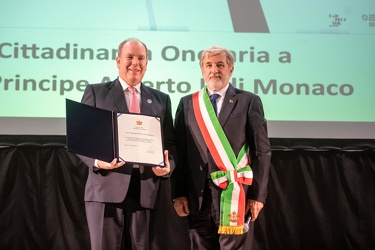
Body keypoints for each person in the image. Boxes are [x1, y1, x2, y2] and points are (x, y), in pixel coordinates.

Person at [77, 38, 176, 250]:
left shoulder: (161, 99)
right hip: (105, 189)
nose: (135, 63)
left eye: (141, 58)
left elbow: (170, 144)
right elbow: (82, 139)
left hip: (146, 191)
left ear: (147, 64)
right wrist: (98, 162)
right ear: (118, 61)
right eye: (130, 57)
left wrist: (167, 168)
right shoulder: (97, 93)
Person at [171, 45, 271, 249]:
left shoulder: (248, 101)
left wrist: (257, 196)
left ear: (230, 69)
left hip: (235, 195)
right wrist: (178, 193)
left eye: (220, 65)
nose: (214, 69)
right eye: (208, 65)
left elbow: (262, 152)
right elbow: (179, 152)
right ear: (202, 69)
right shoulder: (187, 103)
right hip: (197, 198)